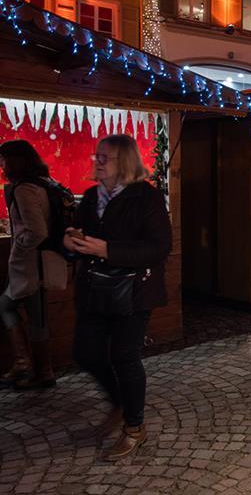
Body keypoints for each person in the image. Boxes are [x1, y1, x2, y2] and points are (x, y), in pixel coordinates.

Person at [65, 135, 172, 461]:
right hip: (96, 289)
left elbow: (159, 247)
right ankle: (119, 403)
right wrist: (70, 242)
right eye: (96, 156)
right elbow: (80, 234)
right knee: (85, 352)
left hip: (134, 290)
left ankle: (134, 427)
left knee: (125, 357)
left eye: (104, 157)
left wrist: (108, 250)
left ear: (124, 161)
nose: (96, 162)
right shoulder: (93, 195)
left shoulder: (146, 197)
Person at [0, 140, 61, 390]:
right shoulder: (44, 184)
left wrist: (20, 243)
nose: (1, 163)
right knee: (20, 310)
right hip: (39, 262)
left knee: (27, 314)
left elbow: (37, 231)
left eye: (4, 158)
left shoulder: (24, 189)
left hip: (32, 264)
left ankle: (39, 370)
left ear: (15, 160)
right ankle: (28, 365)